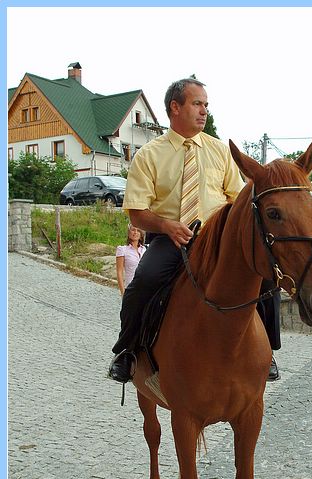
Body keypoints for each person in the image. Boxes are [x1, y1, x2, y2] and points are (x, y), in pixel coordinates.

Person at [108, 77, 281, 383]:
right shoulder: (148, 155)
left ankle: (268, 352)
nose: (204, 111)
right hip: (170, 240)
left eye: (206, 105)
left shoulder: (220, 151)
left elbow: (237, 199)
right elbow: (136, 212)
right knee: (144, 281)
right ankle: (127, 351)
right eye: (197, 104)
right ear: (175, 107)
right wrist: (166, 225)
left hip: (219, 240)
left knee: (267, 275)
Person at [115, 224, 146, 296]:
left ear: (141, 234)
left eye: (138, 230)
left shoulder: (145, 249)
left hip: (145, 288)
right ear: (129, 232)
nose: (135, 232)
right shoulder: (122, 249)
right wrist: (123, 292)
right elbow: (119, 272)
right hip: (131, 287)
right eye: (133, 230)